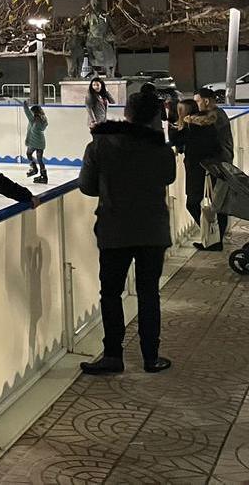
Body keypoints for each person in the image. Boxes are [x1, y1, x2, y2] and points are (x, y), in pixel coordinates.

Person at [78, 91, 176, 375]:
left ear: (128, 113)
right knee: (149, 293)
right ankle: (150, 356)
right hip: (152, 230)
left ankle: (113, 355)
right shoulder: (160, 149)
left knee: (110, 292)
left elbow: (87, 187)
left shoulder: (99, 146)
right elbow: (168, 177)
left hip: (114, 228)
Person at [172, 98, 229, 250]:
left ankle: (212, 240)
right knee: (217, 205)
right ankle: (217, 239)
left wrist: (178, 128)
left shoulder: (190, 127)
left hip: (198, 171)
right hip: (214, 168)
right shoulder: (206, 124)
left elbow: (177, 141)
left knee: (192, 204)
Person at [196, 87, 234, 164]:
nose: (195, 105)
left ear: (206, 101)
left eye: (197, 101)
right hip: (220, 158)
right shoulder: (218, 113)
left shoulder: (215, 116)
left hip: (219, 160)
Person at [23, 100, 49, 184]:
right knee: (40, 159)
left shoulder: (33, 120)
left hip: (34, 142)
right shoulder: (43, 119)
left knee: (29, 154)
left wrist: (25, 105)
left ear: (34, 112)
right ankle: (44, 176)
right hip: (41, 142)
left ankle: (34, 169)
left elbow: (27, 112)